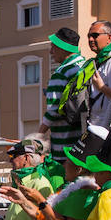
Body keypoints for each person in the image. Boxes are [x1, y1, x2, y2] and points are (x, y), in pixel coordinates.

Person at [41, 27, 89, 156]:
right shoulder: (85, 66)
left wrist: (38, 135)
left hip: (63, 146)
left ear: (63, 48)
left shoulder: (61, 73)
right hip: (84, 143)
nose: (51, 52)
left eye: (54, 47)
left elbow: (53, 110)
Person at [84, 19, 111, 129]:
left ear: (109, 38)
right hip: (94, 125)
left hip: (103, 128)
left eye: (95, 35)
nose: (90, 39)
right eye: (89, 36)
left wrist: (103, 130)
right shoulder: (101, 60)